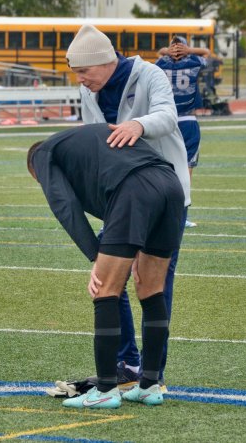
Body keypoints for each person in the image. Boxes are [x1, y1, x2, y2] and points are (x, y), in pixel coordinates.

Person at [68, 24, 191, 391]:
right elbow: (97, 147)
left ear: (105, 62)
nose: (81, 79)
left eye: (84, 71)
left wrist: (137, 125)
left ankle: (154, 375)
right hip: (122, 198)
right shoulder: (88, 91)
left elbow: (168, 116)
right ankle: (127, 364)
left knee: (154, 284)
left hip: (165, 196)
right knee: (109, 280)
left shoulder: (149, 74)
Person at [28, 124, 185, 408]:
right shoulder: (80, 146)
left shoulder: (43, 154)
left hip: (134, 187)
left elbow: (64, 205)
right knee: (151, 290)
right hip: (171, 184)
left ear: (34, 170)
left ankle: (105, 391)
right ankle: (149, 386)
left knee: (105, 290)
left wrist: (95, 256)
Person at [156, 36, 210, 228]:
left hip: (165, 120)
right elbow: (207, 54)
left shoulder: (161, 63)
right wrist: (189, 51)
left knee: (164, 167)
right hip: (187, 120)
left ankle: (162, 211)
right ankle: (181, 213)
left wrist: (166, 51)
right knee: (186, 169)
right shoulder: (194, 61)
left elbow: (159, 54)